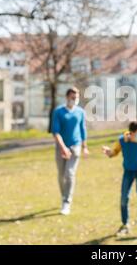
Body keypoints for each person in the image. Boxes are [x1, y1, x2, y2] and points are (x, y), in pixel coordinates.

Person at [51, 87, 89, 215]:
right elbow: (55, 132)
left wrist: (85, 147)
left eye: (77, 97)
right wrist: (63, 148)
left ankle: (67, 202)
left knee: (70, 173)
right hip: (61, 147)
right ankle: (64, 196)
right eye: (73, 97)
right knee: (62, 175)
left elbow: (83, 130)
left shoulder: (80, 112)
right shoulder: (58, 112)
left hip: (75, 146)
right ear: (67, 97)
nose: (75, 100)